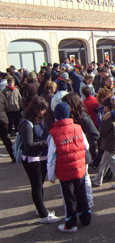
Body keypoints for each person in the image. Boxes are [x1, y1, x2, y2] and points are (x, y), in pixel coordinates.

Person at [47, 102, 91, 232]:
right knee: (81, 193)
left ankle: (70, 223)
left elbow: (51, 157)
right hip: (79, 168)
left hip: (64, 171)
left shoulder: (54, 133)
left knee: (69, 198)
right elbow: (86, 146)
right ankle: (86, 217)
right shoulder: (78, 128)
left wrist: (51, 175)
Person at [19, 96, 61, 224]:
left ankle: (40, 208)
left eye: (44, 110)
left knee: (39, 185)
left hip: (41, 157)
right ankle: (43, 214)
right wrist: (47, 142)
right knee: (37, 186)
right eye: (40, 109)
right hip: (32, 158)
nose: (43, 112)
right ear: (34, 108)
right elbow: (28, 145)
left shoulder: (41, 120)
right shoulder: (26, 123)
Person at [62, 93, 100, 208]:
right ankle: (79, 199)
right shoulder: (70, 115)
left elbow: (95, 134)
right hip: (72, 154)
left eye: (66, 104)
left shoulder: (83, 117)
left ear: (72, 104)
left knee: (85, 178)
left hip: (82, 153)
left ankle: (89, 200)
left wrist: (83, 144)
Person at [91, 97, 115, 189]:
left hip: (109, 143)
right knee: (104, 161)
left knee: (113, 162)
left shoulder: (107, 118)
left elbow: (103, 132)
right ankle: (98, 179)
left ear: (106, 107)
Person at [0, 90, 15, 162]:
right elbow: (7, 106)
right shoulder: (1, 95)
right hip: (3, 119)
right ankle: (13, 155)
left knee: (6, 139)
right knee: (6, 139)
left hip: (2, 119)